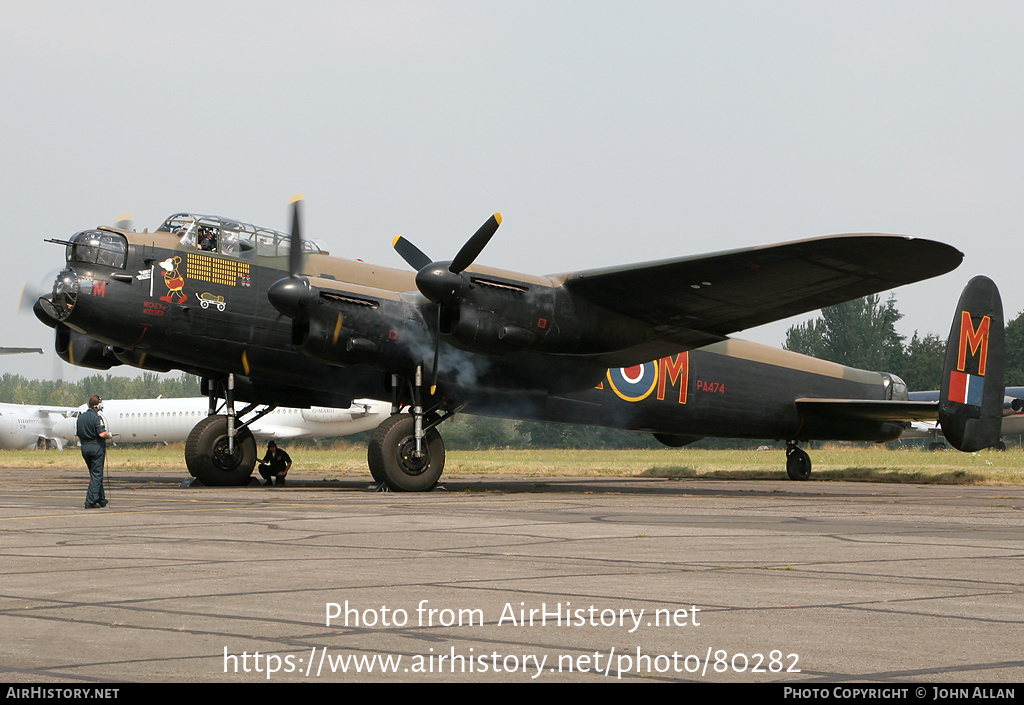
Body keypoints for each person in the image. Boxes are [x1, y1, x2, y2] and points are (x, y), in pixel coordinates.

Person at [77, 395, 110, 508]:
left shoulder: (80, 417)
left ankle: (101, 499)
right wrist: (108, 435)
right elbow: (101, 434)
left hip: (85, 447)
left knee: (94, 474)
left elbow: (79, 436)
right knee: (97, 475)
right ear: (98, 405)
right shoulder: (97, 418)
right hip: (96, 448)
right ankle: (90, 501)